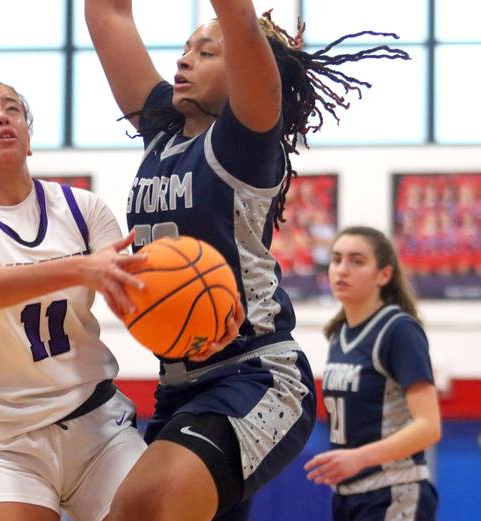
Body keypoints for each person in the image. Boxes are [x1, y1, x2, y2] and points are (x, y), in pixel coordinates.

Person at [85, 0, 411, 519]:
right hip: (177, 387)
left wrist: (236, 30)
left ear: (244, 70)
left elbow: (238, 18)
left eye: (207, 52)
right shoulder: (163, 134)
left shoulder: (245, 141)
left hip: (254, 375)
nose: (186, 59)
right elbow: (109, 15)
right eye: (186, 49)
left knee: (140, 507)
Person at [0, 79, 147, 521]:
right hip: (4, 437)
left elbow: (136, 299)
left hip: (97, 424)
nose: (2, 116)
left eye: (13, 109)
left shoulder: (84, 208)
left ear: (28, 141)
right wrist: (76, 268)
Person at [304, 226, 441, 521]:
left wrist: (359, 458)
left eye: (356, 261)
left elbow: (430, 426)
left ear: (384, 275)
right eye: (336, 259)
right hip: (347, 496)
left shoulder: (399, 330)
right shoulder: (339, 335)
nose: (342, 270)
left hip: (395, 491)